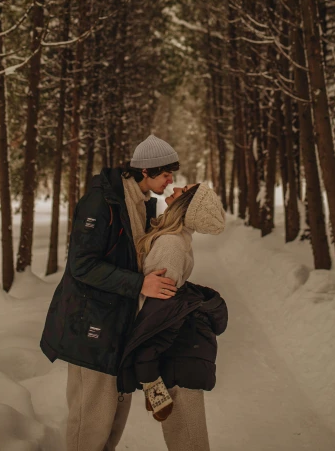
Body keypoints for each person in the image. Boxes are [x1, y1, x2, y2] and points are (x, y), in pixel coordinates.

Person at [40, 134, 182, 451]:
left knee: (114, 417)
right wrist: (139, 284)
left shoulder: (144, 204)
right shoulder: (101, 202)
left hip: (120, 322)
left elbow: (139, 253)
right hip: (91, 323)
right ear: (145, 171)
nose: (171, 179)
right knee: (90, 421)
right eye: (165, 173)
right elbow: (81, 265)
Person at [117, 181, 227, 451]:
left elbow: (158, 312)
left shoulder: (170, 245)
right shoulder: (175, 238)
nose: (175, 187)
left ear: (186, 205)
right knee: (186, 438)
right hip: (182, 351)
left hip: (178, 357)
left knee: (189, 441)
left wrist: (146, 369)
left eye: (184, 189)